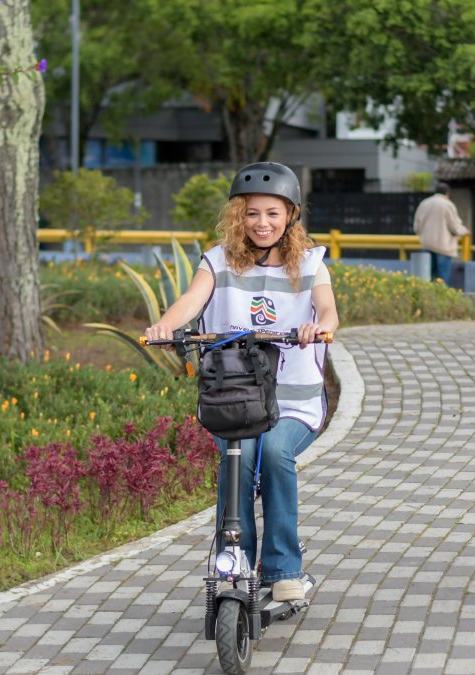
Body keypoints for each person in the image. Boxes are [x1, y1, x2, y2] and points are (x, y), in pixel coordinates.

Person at [144, 162, 338, 602]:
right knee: (239, 458)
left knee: (273, 452)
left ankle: (285, 567)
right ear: (238, 216)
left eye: (273, 212)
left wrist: (318, 327)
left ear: (291, 215)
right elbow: (191, 301)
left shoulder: (310, 264)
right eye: (252, 213)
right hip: (236, 396)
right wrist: (164, 326)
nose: (262, 222)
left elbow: (328, 311)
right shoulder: (218, 261)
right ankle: (235, 562)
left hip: (294, 401)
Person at [413, 181, 470, 286]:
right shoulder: (448, 205)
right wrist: (465, 231)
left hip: (427, 245)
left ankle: (427, 298)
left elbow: (416, 227)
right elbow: (454, 227)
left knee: (426, 277)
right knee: (442, 278)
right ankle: (441, 298)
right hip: (444, 247)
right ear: (447, 193)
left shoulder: (424, 203)